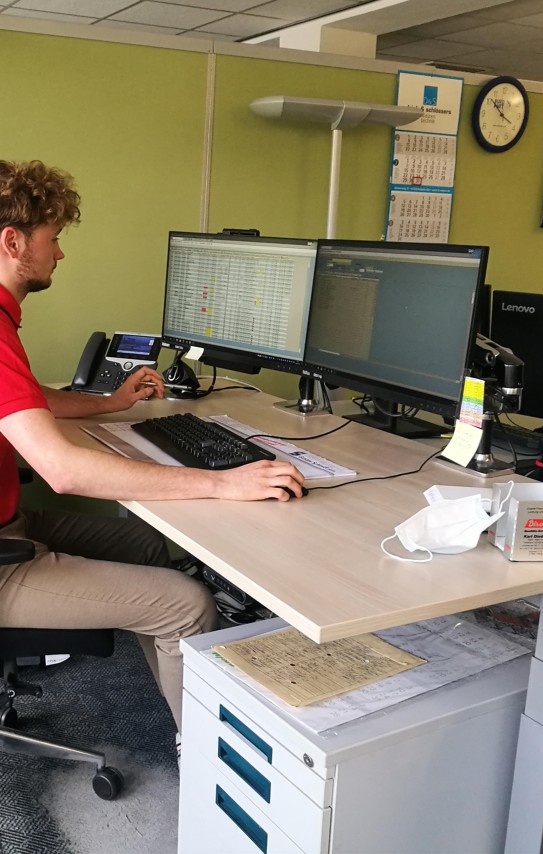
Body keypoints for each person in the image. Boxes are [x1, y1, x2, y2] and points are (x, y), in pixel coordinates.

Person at [0, 159, 305, 753]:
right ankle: (203, 759)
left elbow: (28, 400)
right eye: (52, 238)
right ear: (14, 243)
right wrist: (222, 483)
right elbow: (63, 470)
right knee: (186, 605)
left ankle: (180, 690)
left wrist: (109, 403)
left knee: (149, 544)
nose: (59, 253)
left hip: (11, 524)